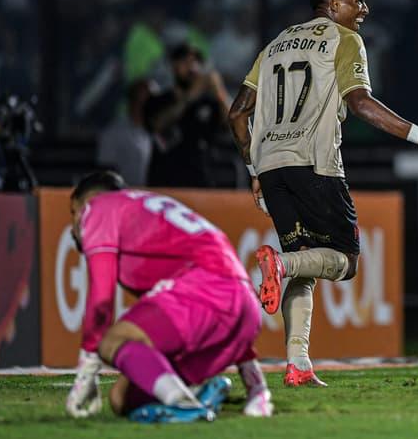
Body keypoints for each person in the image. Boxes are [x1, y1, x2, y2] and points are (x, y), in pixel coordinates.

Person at [228, 0, 418, 387]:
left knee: (305, 265)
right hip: (314, 164)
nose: (364, 9)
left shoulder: (275, 44)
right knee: (345, 262)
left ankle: (298, 363)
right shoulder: (344, 39)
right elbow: (360, 103)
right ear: (334, 5)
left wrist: (253, 168)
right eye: (358, 0)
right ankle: (280, 264)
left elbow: (238, 113)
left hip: (272, 167)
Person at [64, 171, 273, 422]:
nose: (74, 226)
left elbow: (101, 302)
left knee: (112, 340)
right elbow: (230, 298)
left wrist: (87, 372)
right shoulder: (146, 212)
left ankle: (185, 404)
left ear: (87, 203)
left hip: (207, 293)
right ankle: (197, 396)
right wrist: (256, 387)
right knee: (122, 399)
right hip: (244, 310)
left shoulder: (98, 209)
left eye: (73, 212)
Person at [145, 42, 232, 187]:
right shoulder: (159, 101)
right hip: (166, 180)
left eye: (196, 62)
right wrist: (189, 98)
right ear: (173, 66)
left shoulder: (207, 103)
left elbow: (233, 125)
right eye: (185, 62)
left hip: (201, 182)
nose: (192, 67)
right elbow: (157, 125)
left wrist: (220, 93)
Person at [96, 78, 154, 186]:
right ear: (132, 102)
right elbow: (105, 172)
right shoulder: (113, 133)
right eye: (145, 101)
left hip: (157, 193)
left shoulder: (158, 131)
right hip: (125, 193)